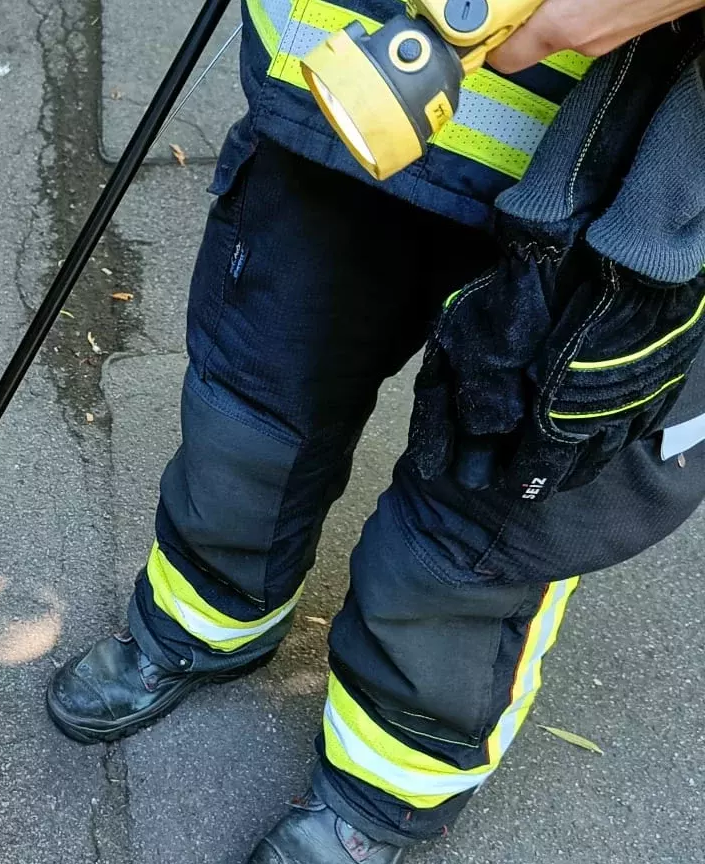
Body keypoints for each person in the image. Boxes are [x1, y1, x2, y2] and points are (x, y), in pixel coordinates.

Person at [45, 0, 705, 861]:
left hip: (629, 183)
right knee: (252, 411)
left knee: (490, 528)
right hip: (343, 84)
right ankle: (208, 618)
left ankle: (386, 785)